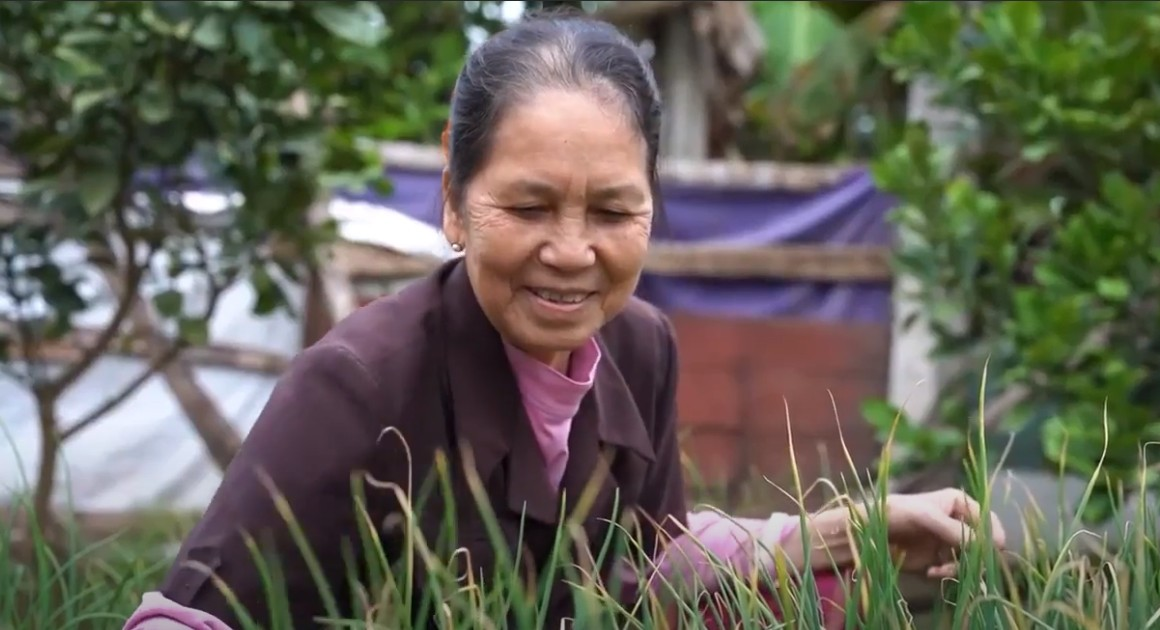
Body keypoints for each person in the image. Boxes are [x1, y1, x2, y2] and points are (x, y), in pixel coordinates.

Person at [124, 12, 1005, 630]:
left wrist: (857, 529)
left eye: (614, 213)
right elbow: (188, 618)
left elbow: (656, 565)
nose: (573, 253)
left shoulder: (640, 345)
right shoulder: (357, 380)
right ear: (455, 202)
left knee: (809, 599)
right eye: (531, 207)